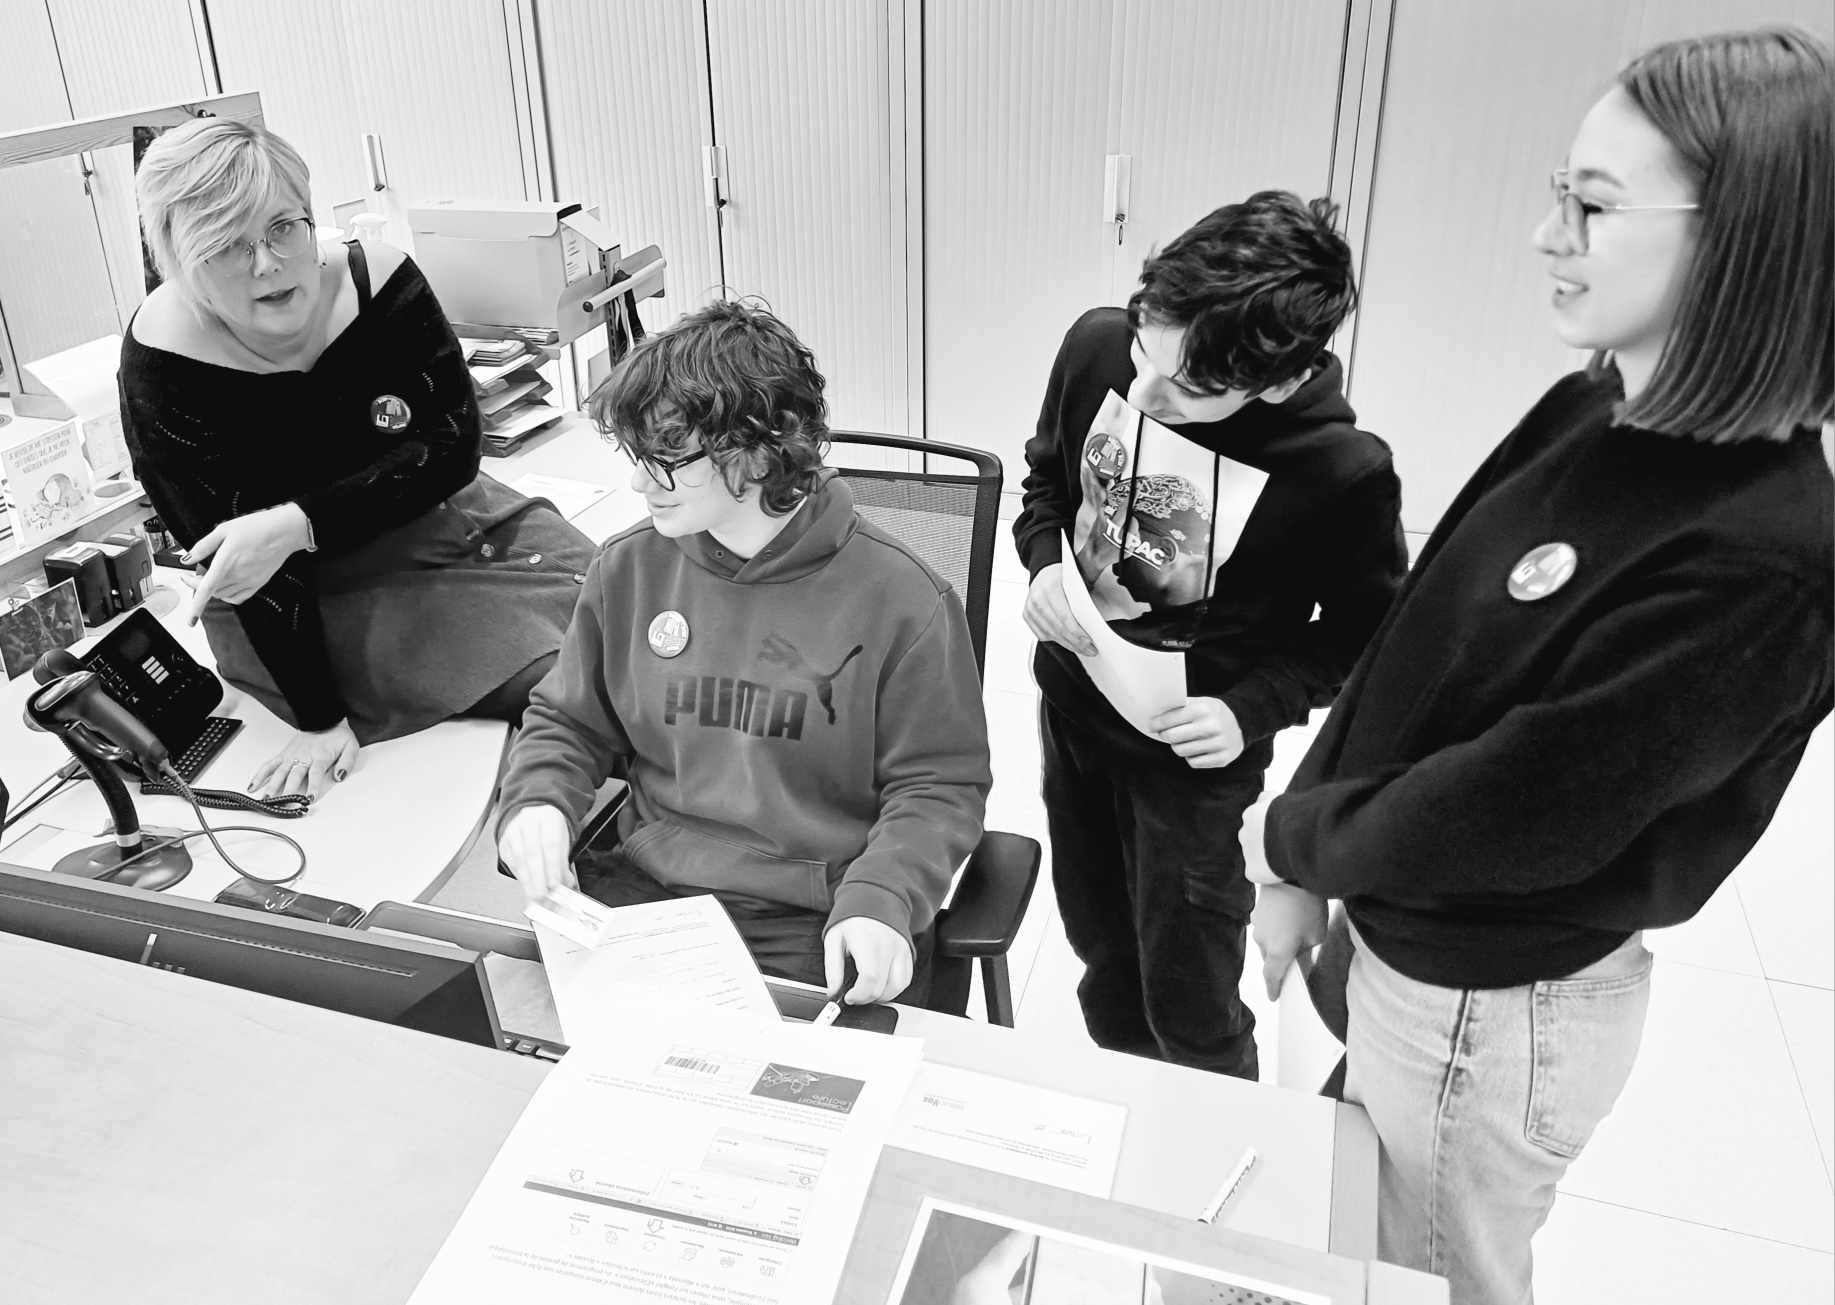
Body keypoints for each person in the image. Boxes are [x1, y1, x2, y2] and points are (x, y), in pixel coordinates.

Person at [1252, 27, 1833, 1305]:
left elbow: (1514, 810)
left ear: (1742, 240)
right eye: (1555, 192)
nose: (1546, 233)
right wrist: (1296, 845)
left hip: (1488, 1009)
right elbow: (1415, 636)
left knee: (1429, 1279)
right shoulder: (1601, 400)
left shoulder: (1760, 557)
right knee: (1357, 1238)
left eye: (1592, 204)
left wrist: (1299, 845)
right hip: (1401, 935)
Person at [1014, 191, 1407, 1080]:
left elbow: (1364, 639)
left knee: (1188, 992)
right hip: (1075, 711)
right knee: (1102, 953)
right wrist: (1043, 563)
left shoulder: (1341, 472)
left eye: (1189, 388)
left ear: (1276, 380)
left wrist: (1248, 709)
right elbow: (1046, 482)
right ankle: (1130, 1116)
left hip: (1190, 766)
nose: (1146, 394)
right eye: (1146, 356)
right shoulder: (1095, 346)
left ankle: (1209, 1171)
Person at [495, 301, 990, 1004]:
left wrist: (884, 895)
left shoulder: (904, 600)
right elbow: (570, 720)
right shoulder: (629, 568)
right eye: (639, 458)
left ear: (758, 451)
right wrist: (538, 801)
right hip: (648, 893)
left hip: (815, 916)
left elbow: (940, 785)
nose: (639, 483)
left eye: (666, 459)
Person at [121, 119, 594, 800]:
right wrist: (320, 719)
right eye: (229, 245)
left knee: (631, 609)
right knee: (569, 682)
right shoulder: (164, 366)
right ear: (181, 257)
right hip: (299, 601)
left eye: (284, 227)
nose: (267, 262)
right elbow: (239, 566)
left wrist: (296, 520)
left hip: (431, 513)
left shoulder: (379, 280)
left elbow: (452, 446)